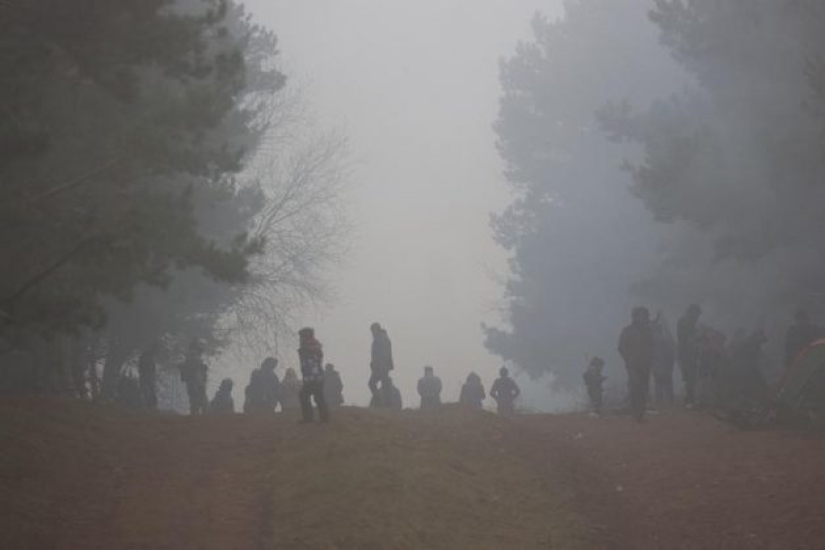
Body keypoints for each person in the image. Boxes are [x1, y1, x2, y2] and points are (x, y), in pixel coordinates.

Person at [618, 307, 654, 422]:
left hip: (645, 364)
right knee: (635, 386)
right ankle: (636, 413)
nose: (643, 318)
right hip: (632, 365)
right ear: (635, 317)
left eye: (645, 315)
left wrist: (650, 358)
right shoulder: (627, 331)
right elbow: (621, 347)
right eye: (641, 315)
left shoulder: (648, 331)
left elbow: (652, 345)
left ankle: (640, 413)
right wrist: (628, 359)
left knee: (643, 388)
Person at [297, 327, 329, 423]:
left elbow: (311, 362)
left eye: (301, 337)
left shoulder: (310, 347)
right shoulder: (312, 346)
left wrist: (303, 350)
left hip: (313, 377)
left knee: (308, 396)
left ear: (305, 336)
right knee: (316, 397)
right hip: (314, 377)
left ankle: (313, 418)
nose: (300, 339)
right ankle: (322, 418)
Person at [677, 304, 702, 408]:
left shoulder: (691, 324)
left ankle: (690, 399)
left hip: (692, 354)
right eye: (696, 314)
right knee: (689, 377)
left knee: (692, 377)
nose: (697, 317)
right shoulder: (684, 322)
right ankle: (689, 400)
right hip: (686, 354)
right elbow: (684, 339)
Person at [651, 314, 676, 408]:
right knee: (664, 383)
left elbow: (671, 350)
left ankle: (663, 403)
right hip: (661, 364)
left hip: (662, 364)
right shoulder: (661, 338)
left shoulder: (660, 338)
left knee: (661, 384)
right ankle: (666, 403)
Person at [179, 340, 208, 415]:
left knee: (195, 402)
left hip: (194, 383)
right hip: (196, 383)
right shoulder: (193, 356)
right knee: (199, 402)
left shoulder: (191, 357)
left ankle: (195, 416)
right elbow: (194, 370)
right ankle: (198, 417)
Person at [368, 323, 394, 407]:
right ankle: (383, 403)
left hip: (381, 367)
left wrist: (380, 365)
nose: (372, 333)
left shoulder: (382, 339)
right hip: (380, 367)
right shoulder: (380, 338)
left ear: (376, 329)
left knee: (375, 384)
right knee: (383, 385)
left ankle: (382, 403)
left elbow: (384, 354)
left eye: (373, 331)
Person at [137, 344, 158, 410]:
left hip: (145, 375)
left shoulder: (142, 358)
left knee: (146, 390)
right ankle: (152, 405)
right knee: (151, 390)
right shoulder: (152, 358)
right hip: (151, 375)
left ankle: (148, 404)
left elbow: (140, 368)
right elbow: (154, 369)